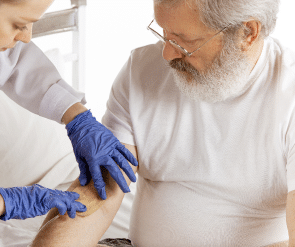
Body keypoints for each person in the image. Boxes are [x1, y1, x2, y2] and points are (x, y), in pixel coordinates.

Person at [30, 0, 295, 246]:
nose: (167, 54)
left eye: (183, 41)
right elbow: (102, 189)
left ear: (247, 33)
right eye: (164, 33)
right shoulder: (140, 70)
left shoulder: (289, 93)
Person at [0, 0, 138, 245]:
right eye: (19, 24)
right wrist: (1, 202)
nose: (27, 38)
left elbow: (11, 62)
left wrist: (76, 116)